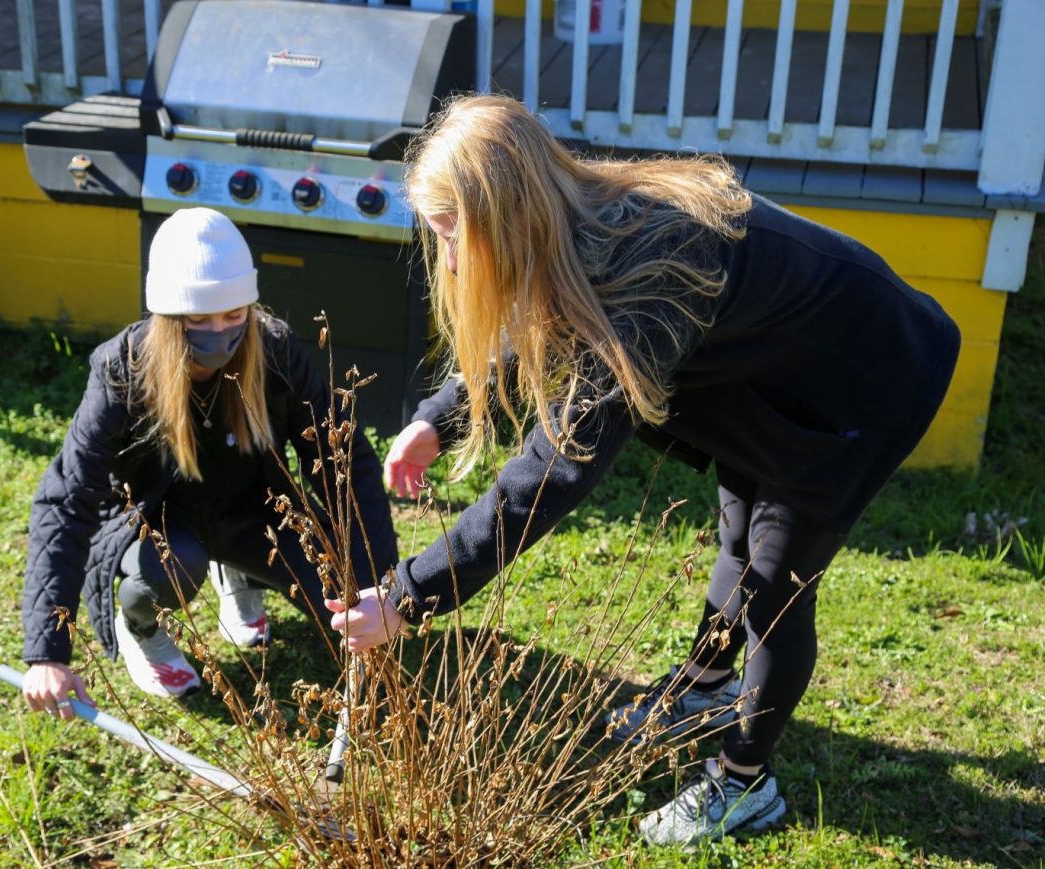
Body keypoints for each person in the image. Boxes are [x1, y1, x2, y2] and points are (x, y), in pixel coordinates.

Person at [324, 95, 960, 846]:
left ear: (506, 211)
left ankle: (744, 781)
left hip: (863, 377)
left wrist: (407, 595)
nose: (453, 260)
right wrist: (441, 415)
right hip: (774, 373)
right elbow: (540, 318)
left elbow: (553, 470)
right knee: (737, 539)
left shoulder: (653, 270)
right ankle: (703, 690)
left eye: (452, 236)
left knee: (774, 589)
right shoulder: (573, 216)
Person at [20, 207, 397, 715]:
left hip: (253, 513)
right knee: (175, 566)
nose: (219, 332)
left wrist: (378, 587)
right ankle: (142, 626)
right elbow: (67, 497)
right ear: (168, 316)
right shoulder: (123, 368)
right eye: (198, 319)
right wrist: (46, 651)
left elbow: (341, 461)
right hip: (159, 524)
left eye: (233, 315)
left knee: (341, 594)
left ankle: (238, 575)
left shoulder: (276, 350)